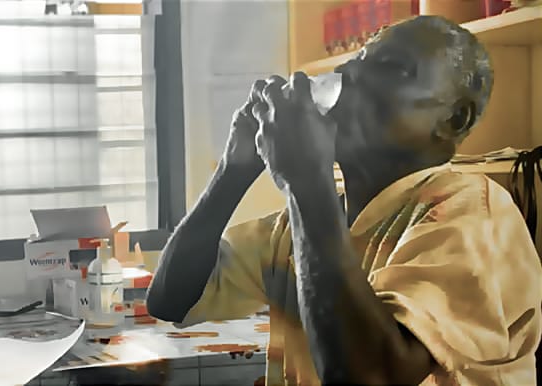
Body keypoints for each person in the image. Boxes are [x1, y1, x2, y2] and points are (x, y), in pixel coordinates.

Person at [146, 15, 542, 385]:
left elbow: (368, 376)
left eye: (393, 68)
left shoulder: (472, 211)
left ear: (454, 118)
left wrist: (305, 181)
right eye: (356, 61)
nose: (350, 73)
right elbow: (171, 299)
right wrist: (233, 171)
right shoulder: (305, 221)